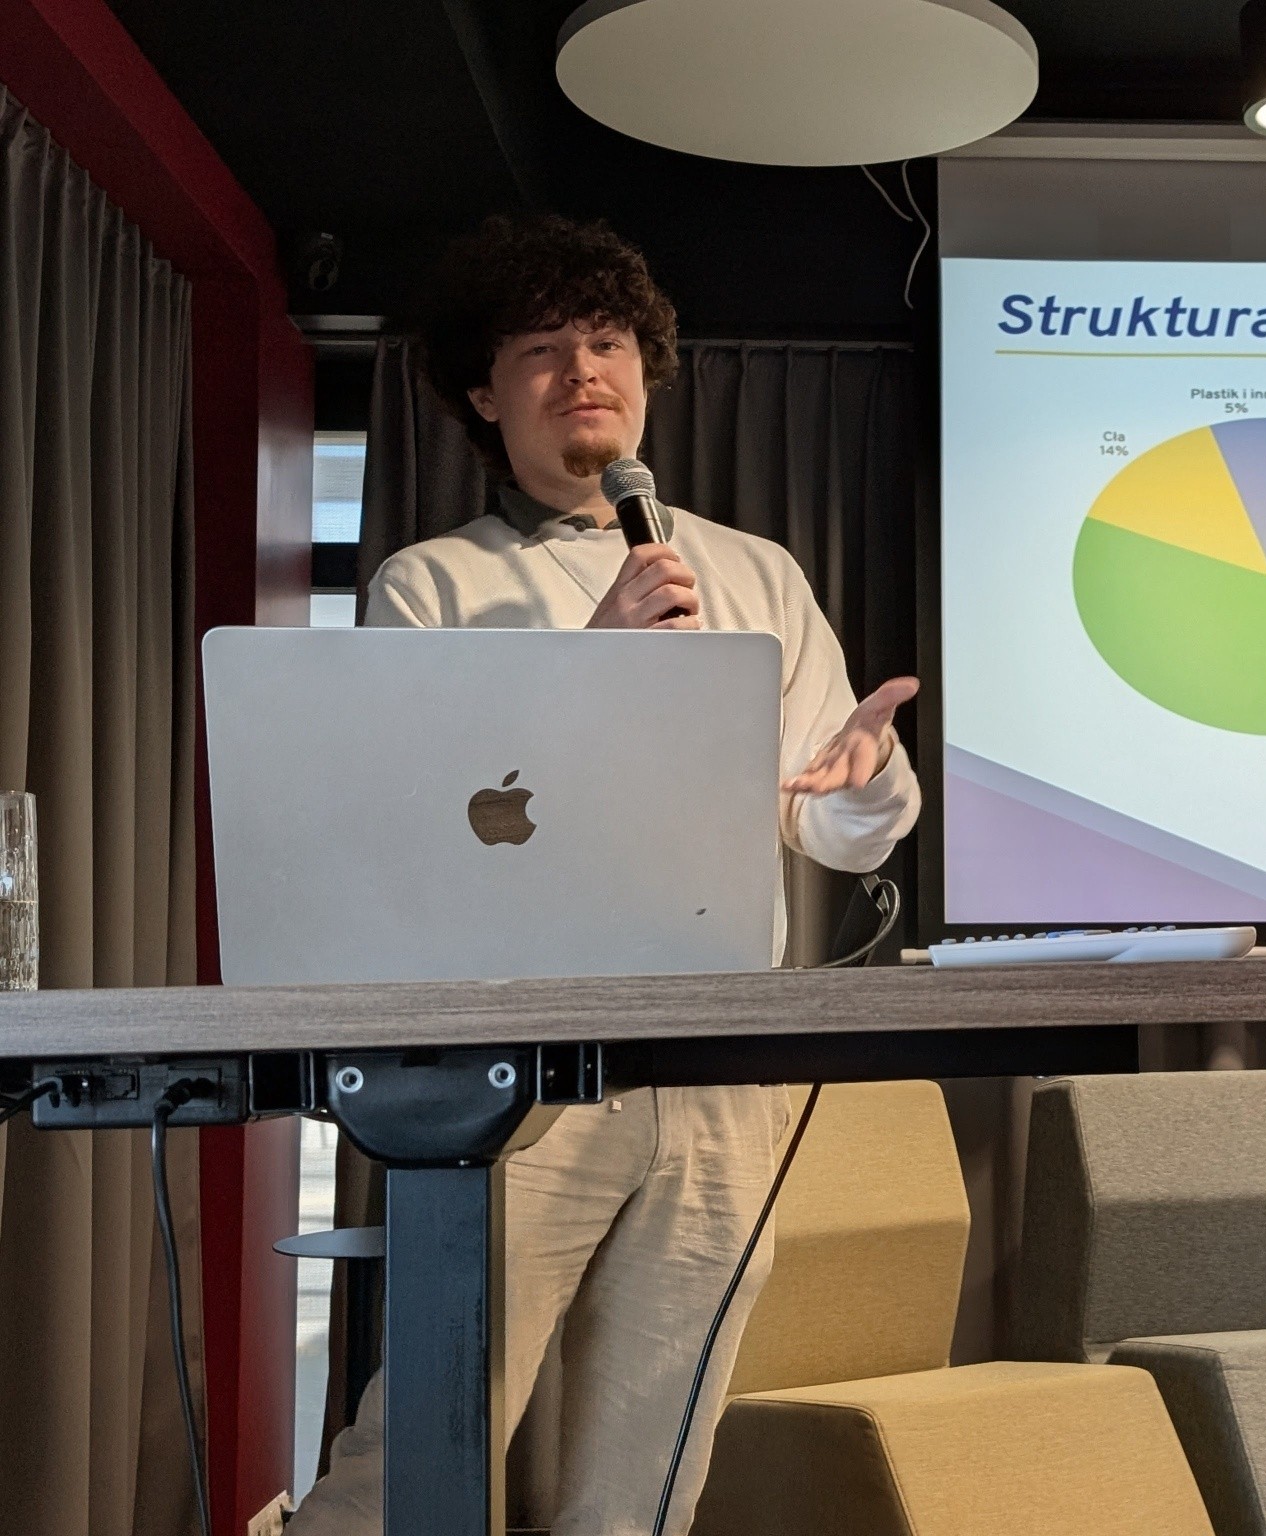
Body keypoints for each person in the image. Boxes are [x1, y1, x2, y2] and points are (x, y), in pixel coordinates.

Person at [288, 214, 920, 1535]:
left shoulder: (754, 572)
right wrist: (594, 660)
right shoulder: (428, 586)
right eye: (543, 349)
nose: (584, 369)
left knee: (653, 1473)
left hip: (722, 1063)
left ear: (646, 372)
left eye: (610, 342)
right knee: (423, 1444)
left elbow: (838, 832)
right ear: (483, 392)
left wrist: (862, 777)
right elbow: (418, 834)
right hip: (519, 1067)